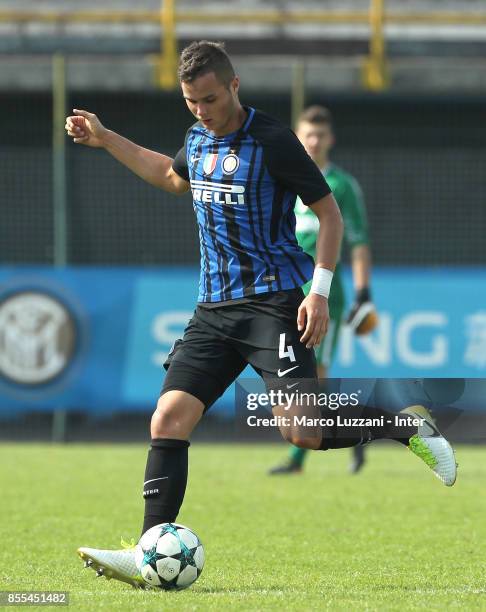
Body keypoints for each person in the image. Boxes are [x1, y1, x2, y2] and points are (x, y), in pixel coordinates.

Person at [65, 41, 457, 590]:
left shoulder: (272, 140)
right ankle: (148, 551)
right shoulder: (197, 137)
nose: (201, 111)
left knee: (302, 432)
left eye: (208, 98)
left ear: (233, 85)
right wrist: (106, 139)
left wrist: (317, 293)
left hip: (273, 305)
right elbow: (171, 177)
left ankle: (404, 425)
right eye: (190, 101)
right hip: (213, 310)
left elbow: (330, 215)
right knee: (168, 419)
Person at [269, 105, 377, 476]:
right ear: (298, 137)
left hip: (323, 294)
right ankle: (361, 431)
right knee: (298, 379)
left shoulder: (342, 186)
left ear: (330, 138)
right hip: (283, 292)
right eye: (307, 134)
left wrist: (363, 293)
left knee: (318, 377)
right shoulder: (280, 178)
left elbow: (359, 243)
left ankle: (300, 458)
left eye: (319, 134)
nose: (313, 141)